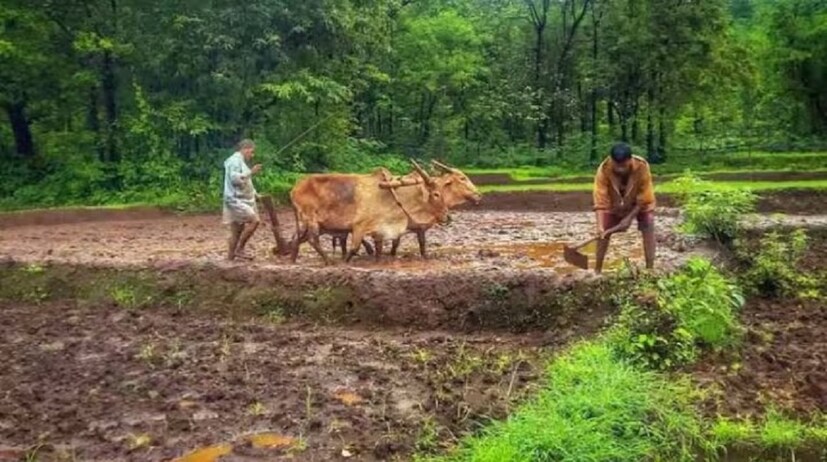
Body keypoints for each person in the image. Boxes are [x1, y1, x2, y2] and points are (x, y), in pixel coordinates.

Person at [592, 142, 656, 273]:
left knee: (648, 224)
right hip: (615, 202)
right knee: (603, 231)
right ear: (611, 160)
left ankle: (650, 269)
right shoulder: (604, 169)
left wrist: (629, 218)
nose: (620, 169)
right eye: (617, 166)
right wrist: (600, 226)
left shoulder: (642, 166)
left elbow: (644, 196)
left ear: (630, 160)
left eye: (624, 166)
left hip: (640, 203)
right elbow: (600, 199)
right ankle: (597, 270)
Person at [223, 139, 262, 261]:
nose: (252, 155)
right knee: (254, 221)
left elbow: (247, 182)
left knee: (236, 230)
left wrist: (255, 194)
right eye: (251, 151)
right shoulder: (234, 161)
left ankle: (230, 259)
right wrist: (252, 172)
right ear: (245, 149)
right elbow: (235, 179)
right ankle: (240, 249)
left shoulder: (240, 162)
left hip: (238, 199)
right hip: (235, 200)